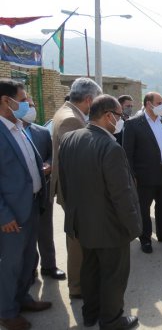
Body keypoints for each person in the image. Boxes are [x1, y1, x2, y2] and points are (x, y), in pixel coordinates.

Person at [58, 95, 142, 330]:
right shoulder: (110, 147)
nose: (121, 120)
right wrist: (134, 226)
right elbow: (121, 194)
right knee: (114, 276)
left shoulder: (70, 139)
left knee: (90, 270)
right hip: (110, 227)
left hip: (82, 223)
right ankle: (112, 320)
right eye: (120, 116)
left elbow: (65, 184)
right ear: (108, 116)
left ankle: (91, 313)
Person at [0, 79, 51, 330]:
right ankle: (7, 312)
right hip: (11, 215)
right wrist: (3, 215)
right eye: (22, 100)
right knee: (10, 264)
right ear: (5, 101)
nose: (26, 104)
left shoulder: (18, 126)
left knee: (27, 259)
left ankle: (22, 298)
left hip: (31, 205)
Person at [51, 77, 102, 299]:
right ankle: (78, 286)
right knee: (78, 241)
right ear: (89, 100)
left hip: (74, 189)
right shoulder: (71, 120)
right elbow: (78, 162)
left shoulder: (68, 112)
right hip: (75, 191)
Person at [123, 92, 162, 254]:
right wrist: (131, 175)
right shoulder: (134, 124)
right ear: (149, 104)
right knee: (144, 209)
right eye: (160, 102)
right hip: (144, 176)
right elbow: (127, 154)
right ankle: (145, 239)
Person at [21, 98, 66, 281]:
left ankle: (49, 266)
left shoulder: (40, 132)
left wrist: (48, 165)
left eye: (32, 104)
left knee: (45, 231)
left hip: (42, 190)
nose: (31, 108)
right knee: (25, 235)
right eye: (26, 104)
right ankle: (29, 270)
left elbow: (52, 154)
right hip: (19, 194)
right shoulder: (8, 133)